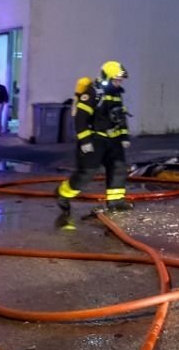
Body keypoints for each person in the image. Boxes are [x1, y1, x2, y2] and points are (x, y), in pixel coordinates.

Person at [55, 61, 131, 228]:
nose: (119, 83)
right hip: (95, 140)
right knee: (87, 173)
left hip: (114, 141)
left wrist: (124, 136)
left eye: (120, 80)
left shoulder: (116, 93)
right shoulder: (93, 93)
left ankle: (116, 202)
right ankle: (63, 193)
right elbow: (80, 118)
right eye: (116, 79)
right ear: (107, 78)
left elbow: (120, 116)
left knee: (118, 169)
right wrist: (85, 141)